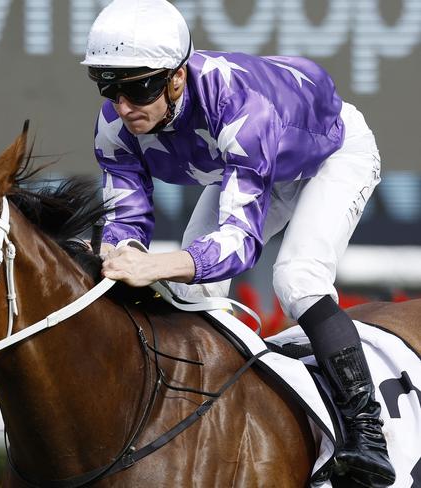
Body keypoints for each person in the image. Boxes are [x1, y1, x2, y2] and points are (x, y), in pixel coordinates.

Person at [81, 0, 395, 486]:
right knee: (191, 295)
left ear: (177, 77)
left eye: (138, 87)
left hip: (330, 154)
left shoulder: (237, 103)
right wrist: (122, 254)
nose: (123, 106)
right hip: (250, 165)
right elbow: (126, 221)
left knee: (298, 278)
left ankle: (367, 433)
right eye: (109, 86)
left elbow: (239, 245)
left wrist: (155, 266)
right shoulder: (114, 125)